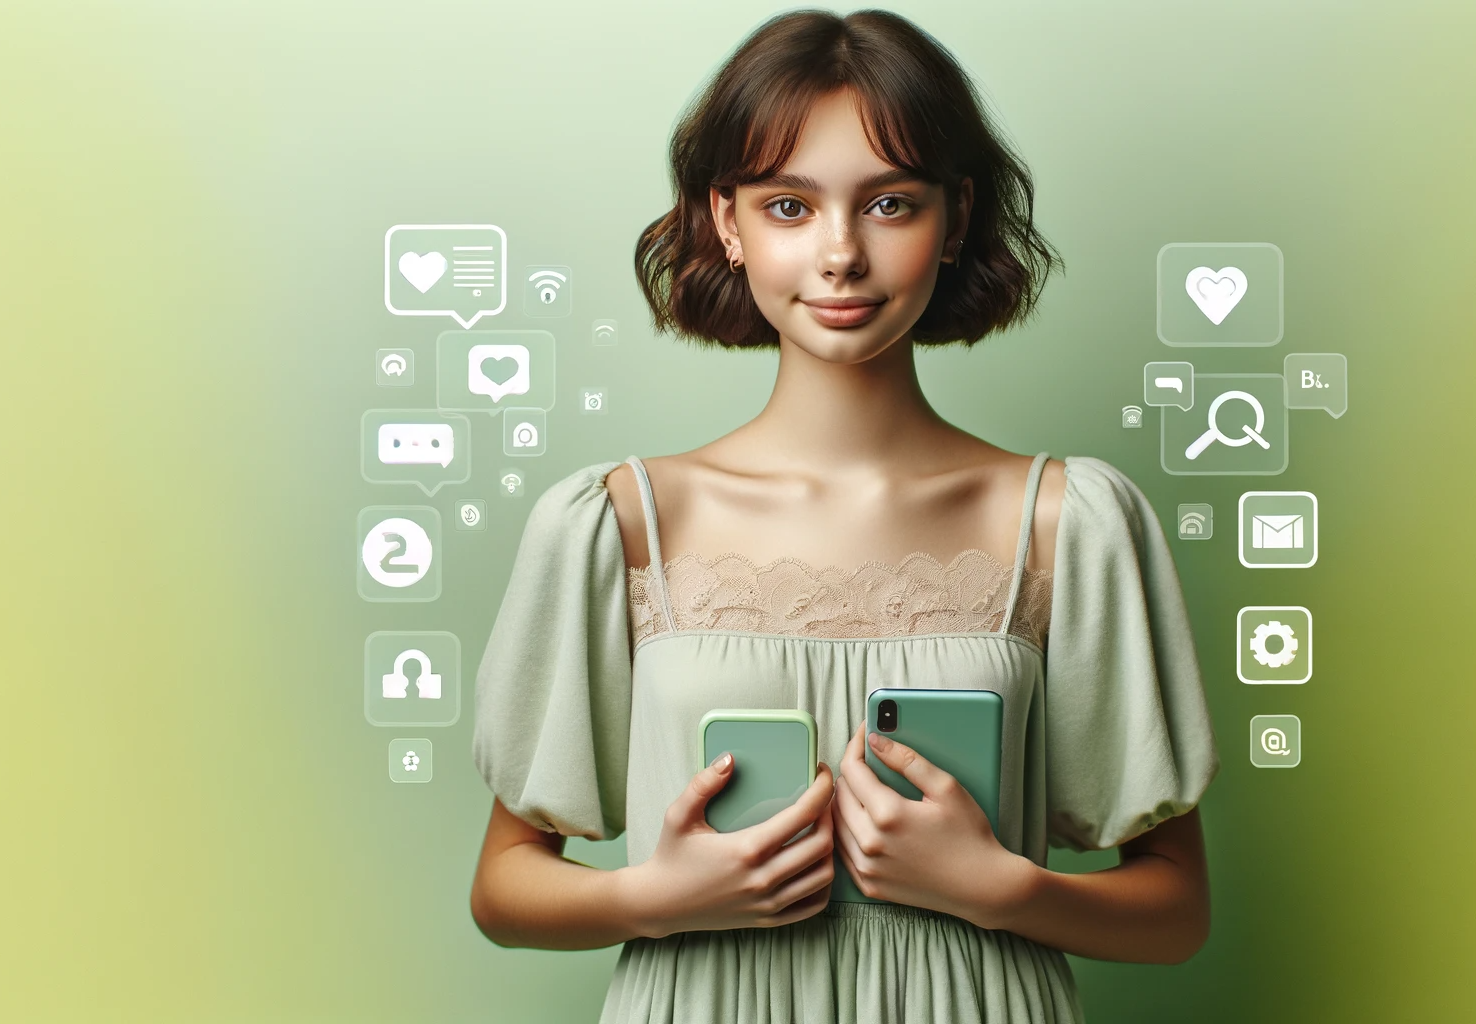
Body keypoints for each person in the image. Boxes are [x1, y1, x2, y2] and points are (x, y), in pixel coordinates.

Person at [468, 10, 1218, 1023]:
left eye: (889, 203)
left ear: (955, 217)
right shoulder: (619, 523)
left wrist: (1001, 888)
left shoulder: (1066, 520)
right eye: (787, 205)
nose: (839, 255)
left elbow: (1174, 911)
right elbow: (504, 886)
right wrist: (652, 896)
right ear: (724, 220)